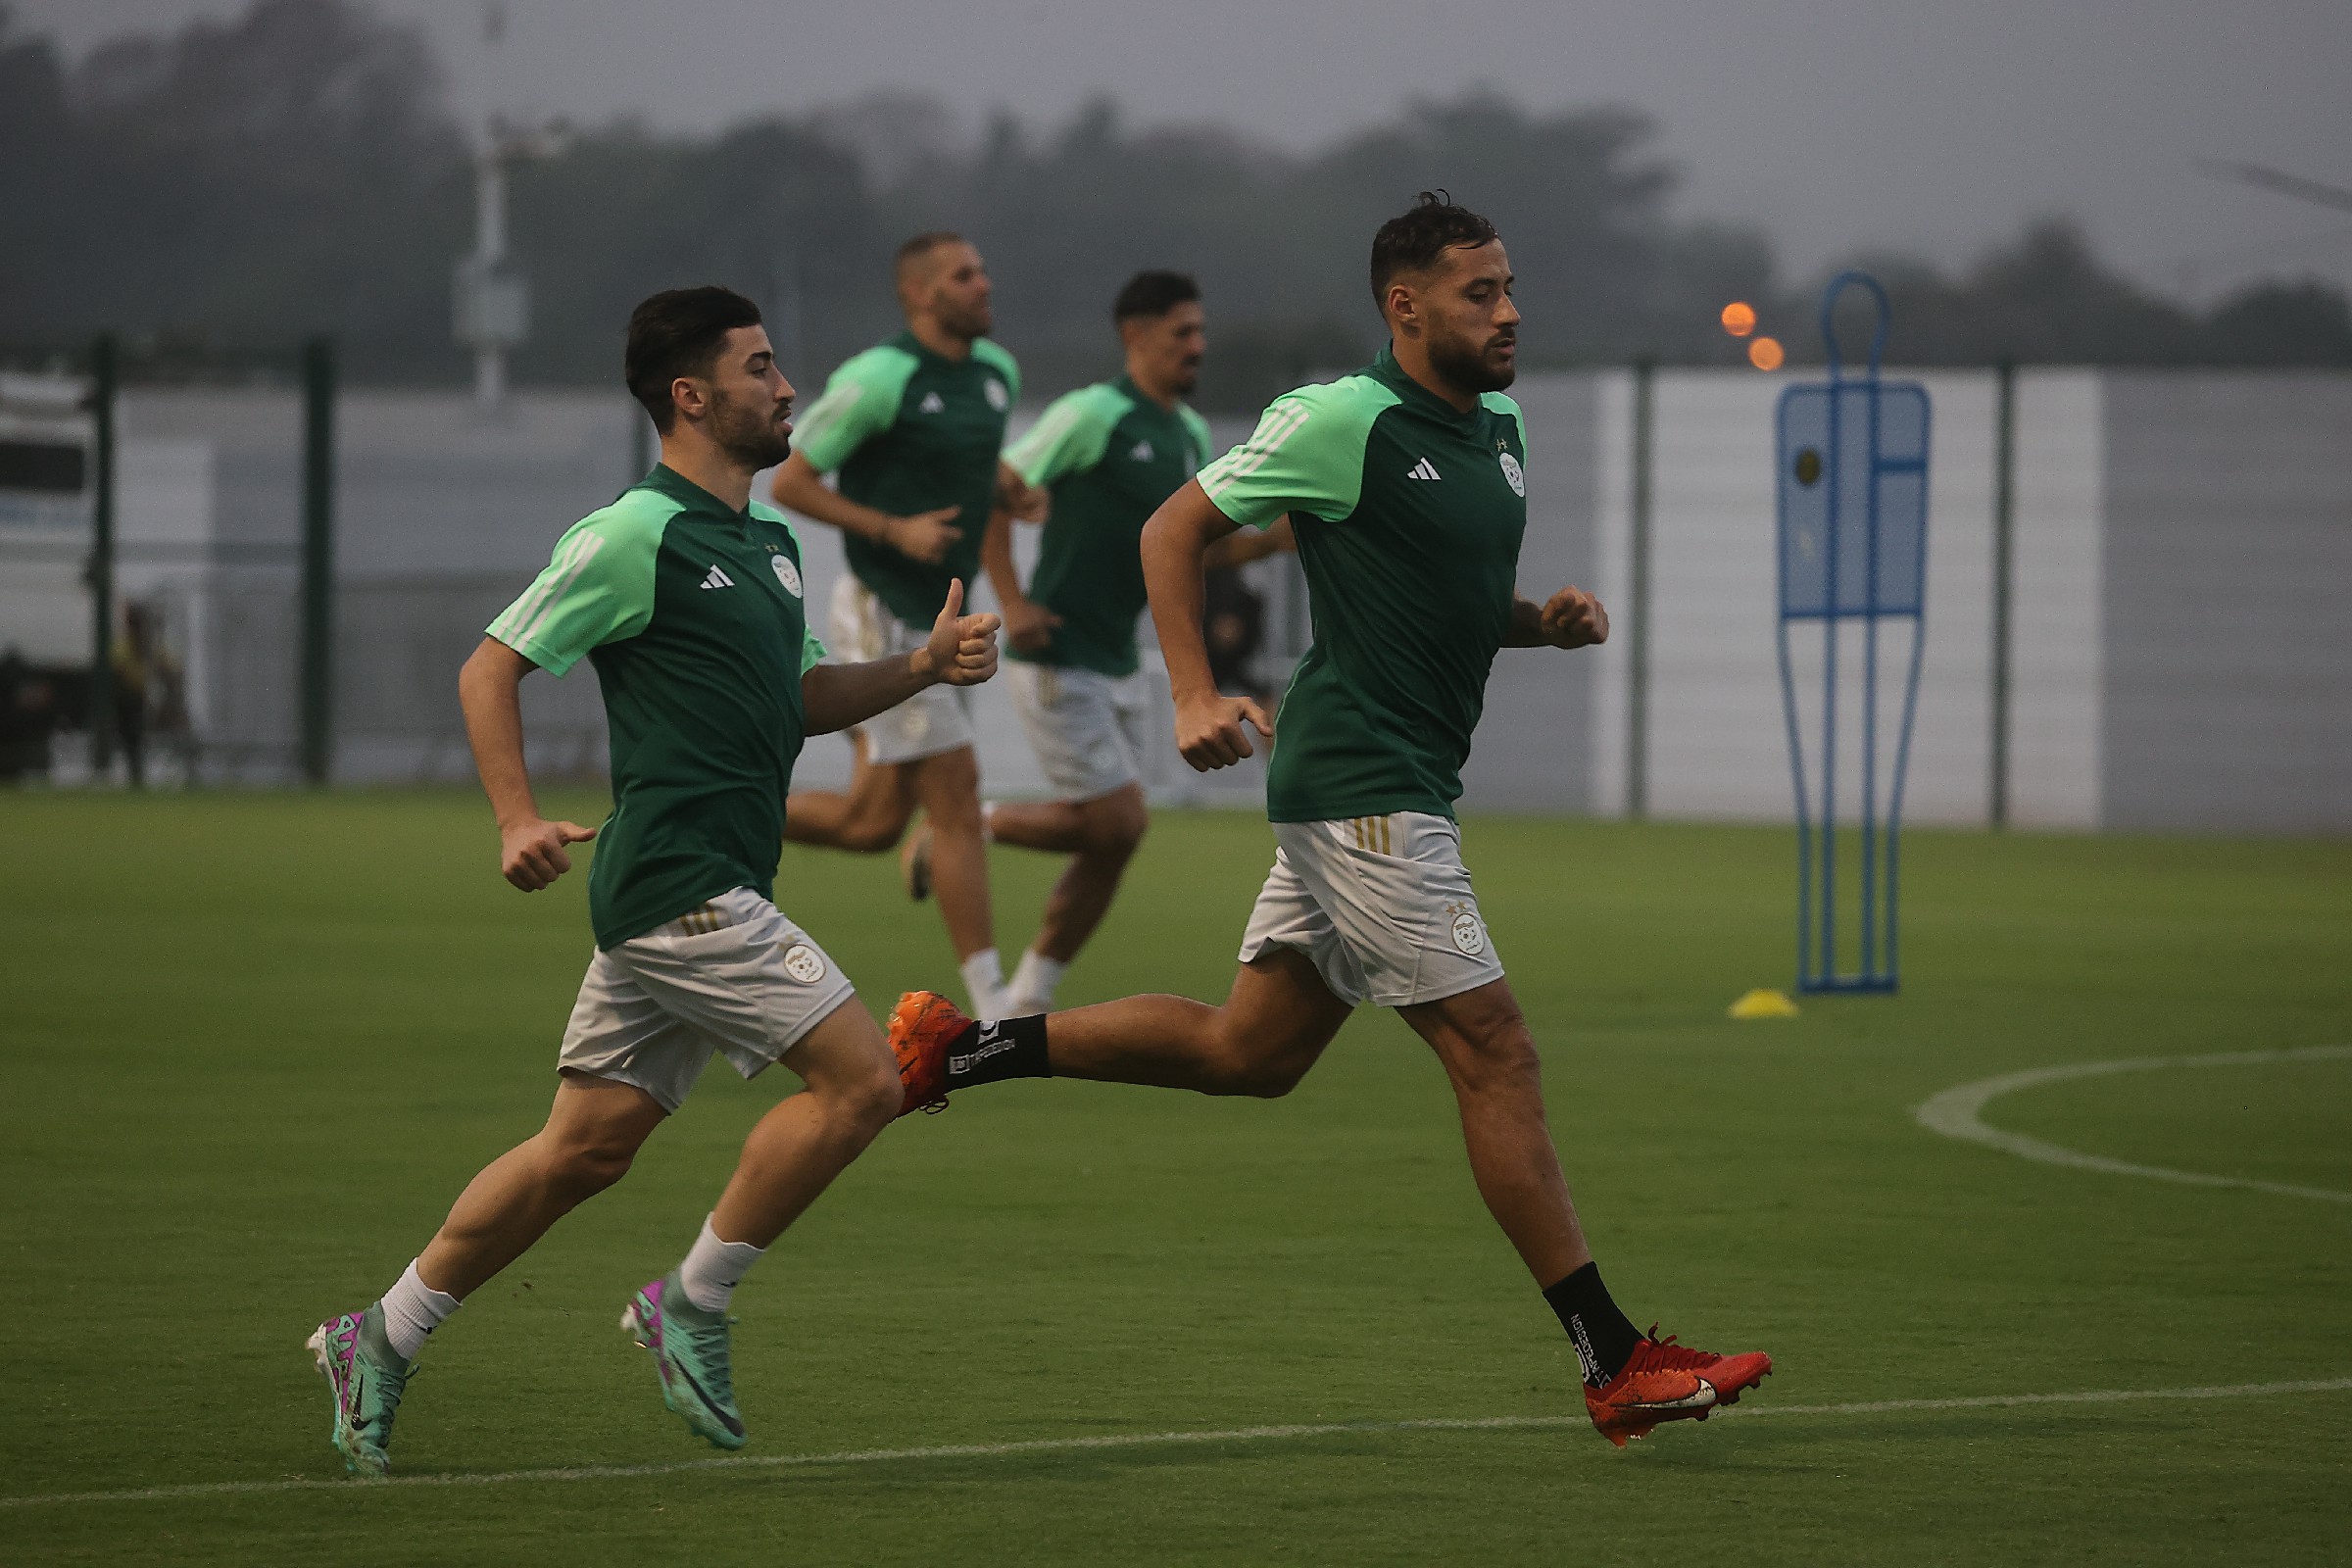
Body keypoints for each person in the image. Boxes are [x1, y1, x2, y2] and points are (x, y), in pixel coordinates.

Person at [886, 194, 1771, 1447]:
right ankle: (1613, 1358)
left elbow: (1446, 586)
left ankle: (955, 1051)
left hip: (1388, 782)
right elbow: (1171, 528)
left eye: (1510, 286)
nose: (1509, 310)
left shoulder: (1504, 426)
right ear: (1405, 308)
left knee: (1251, 1053)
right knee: (1495, 1051)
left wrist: (1538, 622)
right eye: (1480, 292)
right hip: (1366, 785)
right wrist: (1192, 689)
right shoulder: (1339, 418)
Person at [306, 286, 1001, 1477]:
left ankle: (381, 1333)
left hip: (700, 884)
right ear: (693, 396)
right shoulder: (633, 533)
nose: (789, 388)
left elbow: (803, 701)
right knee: (865, 1083)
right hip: (678, 882)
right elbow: (492, 667)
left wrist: (923, 664)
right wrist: (515, 816)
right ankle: (691, 1302)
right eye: (762, 367)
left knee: (582, 1150)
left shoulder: (770, 546)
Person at [979, 270, 1290, 1014]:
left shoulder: (1183, 432)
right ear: (1135, 336)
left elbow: (1194, 549)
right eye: (1183, 332)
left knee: (1111, 840)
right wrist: (1013, 602)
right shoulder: (1094, 413)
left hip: (1116, 657)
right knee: (1122, 820)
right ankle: (969, 823)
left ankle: (1026, 1000)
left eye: (1201, 331)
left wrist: (1270, 543)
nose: (1198, 346)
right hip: (1056, 652)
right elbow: (997, 487)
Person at [769, 233, 1035, 1017]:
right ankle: (996, 1008)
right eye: (964, 275)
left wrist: (1011, 485)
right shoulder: (878, 378)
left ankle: (714, 804)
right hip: (883, 608)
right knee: (957, 794)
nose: (984, 283)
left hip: (939, 617)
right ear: (919, 294)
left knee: (873, 822)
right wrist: (894, 528)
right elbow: (792, 480)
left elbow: (976, 458)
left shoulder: (996, 374)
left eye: (983, 269)